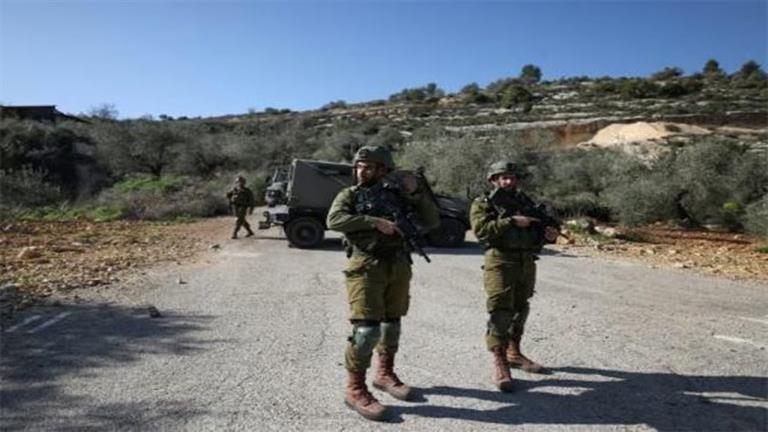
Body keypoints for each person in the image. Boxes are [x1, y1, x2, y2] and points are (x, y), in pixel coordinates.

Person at [327, 145, 440, 421]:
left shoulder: (398, 195)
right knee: (366, 330)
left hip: (398, 265)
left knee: (392, 324)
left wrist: (416, 192)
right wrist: (373, 222)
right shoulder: (349, 195)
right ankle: (355, 389)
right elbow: (334, 220)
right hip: (366, 266)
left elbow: (432, 220)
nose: (361, 171)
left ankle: (384, 373)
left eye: (368, 167)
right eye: (359, 166)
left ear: (383, 170)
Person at [469, 160, 560, 392]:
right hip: (500, 260)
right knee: (501, 309)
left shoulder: (525, 202)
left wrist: (549, 235)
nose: (508, 181)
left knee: (521, 307)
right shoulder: (483, 203)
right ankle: (500, 361)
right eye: (503, 177)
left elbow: (539, 231)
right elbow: (481, 231)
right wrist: (510, 221)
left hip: (525, 261)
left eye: (511, 177)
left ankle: (514, 352)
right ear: (494, 180)